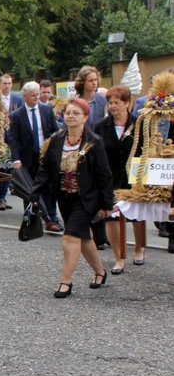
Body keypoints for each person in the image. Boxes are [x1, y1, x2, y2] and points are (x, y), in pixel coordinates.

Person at [31, 97, 114, 298]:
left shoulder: (94, 142)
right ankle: (100, 272)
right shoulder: (56, 139)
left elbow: (104, 174)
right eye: (67, 112)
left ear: (85, 117)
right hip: (64, 196)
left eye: (76, 113)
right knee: (83, 238)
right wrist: (34, 193)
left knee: (70, 236)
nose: (71, 116)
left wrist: (107, 204)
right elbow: (45, 169)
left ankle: (65, 281)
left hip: (87, 198)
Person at [93, 85, 145, 273]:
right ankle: (118, 257)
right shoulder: (101, 126)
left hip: (134, 178)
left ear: (127, 103)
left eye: (117, 102)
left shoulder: (139, 123)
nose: (112, 106)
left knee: (137, 217)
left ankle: (139, 248)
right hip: (110, 179)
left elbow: (144, 150)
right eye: (110, 102)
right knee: (112, 217)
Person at [8, 81, 62, 230]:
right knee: (30, 190)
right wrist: (16, 159)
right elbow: (13, 139)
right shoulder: (17, 115)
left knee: (49, 188)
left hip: (45, 156)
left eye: (38, 94)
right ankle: (32, 219)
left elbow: (54, 132)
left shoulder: (46, 110)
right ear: (25, 96)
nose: (37, 97)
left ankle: (52, 218)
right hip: (27, 157)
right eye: (33, 95)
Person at [74, 66, 110, 249]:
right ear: (83, 83)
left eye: (96, 80)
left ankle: (100, 235)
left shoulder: (103, 101)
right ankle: (83, 230)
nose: (94, 83)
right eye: (90, 80)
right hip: (81, 150)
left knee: (100, 192)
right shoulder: (77, 102)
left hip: (100, 149)